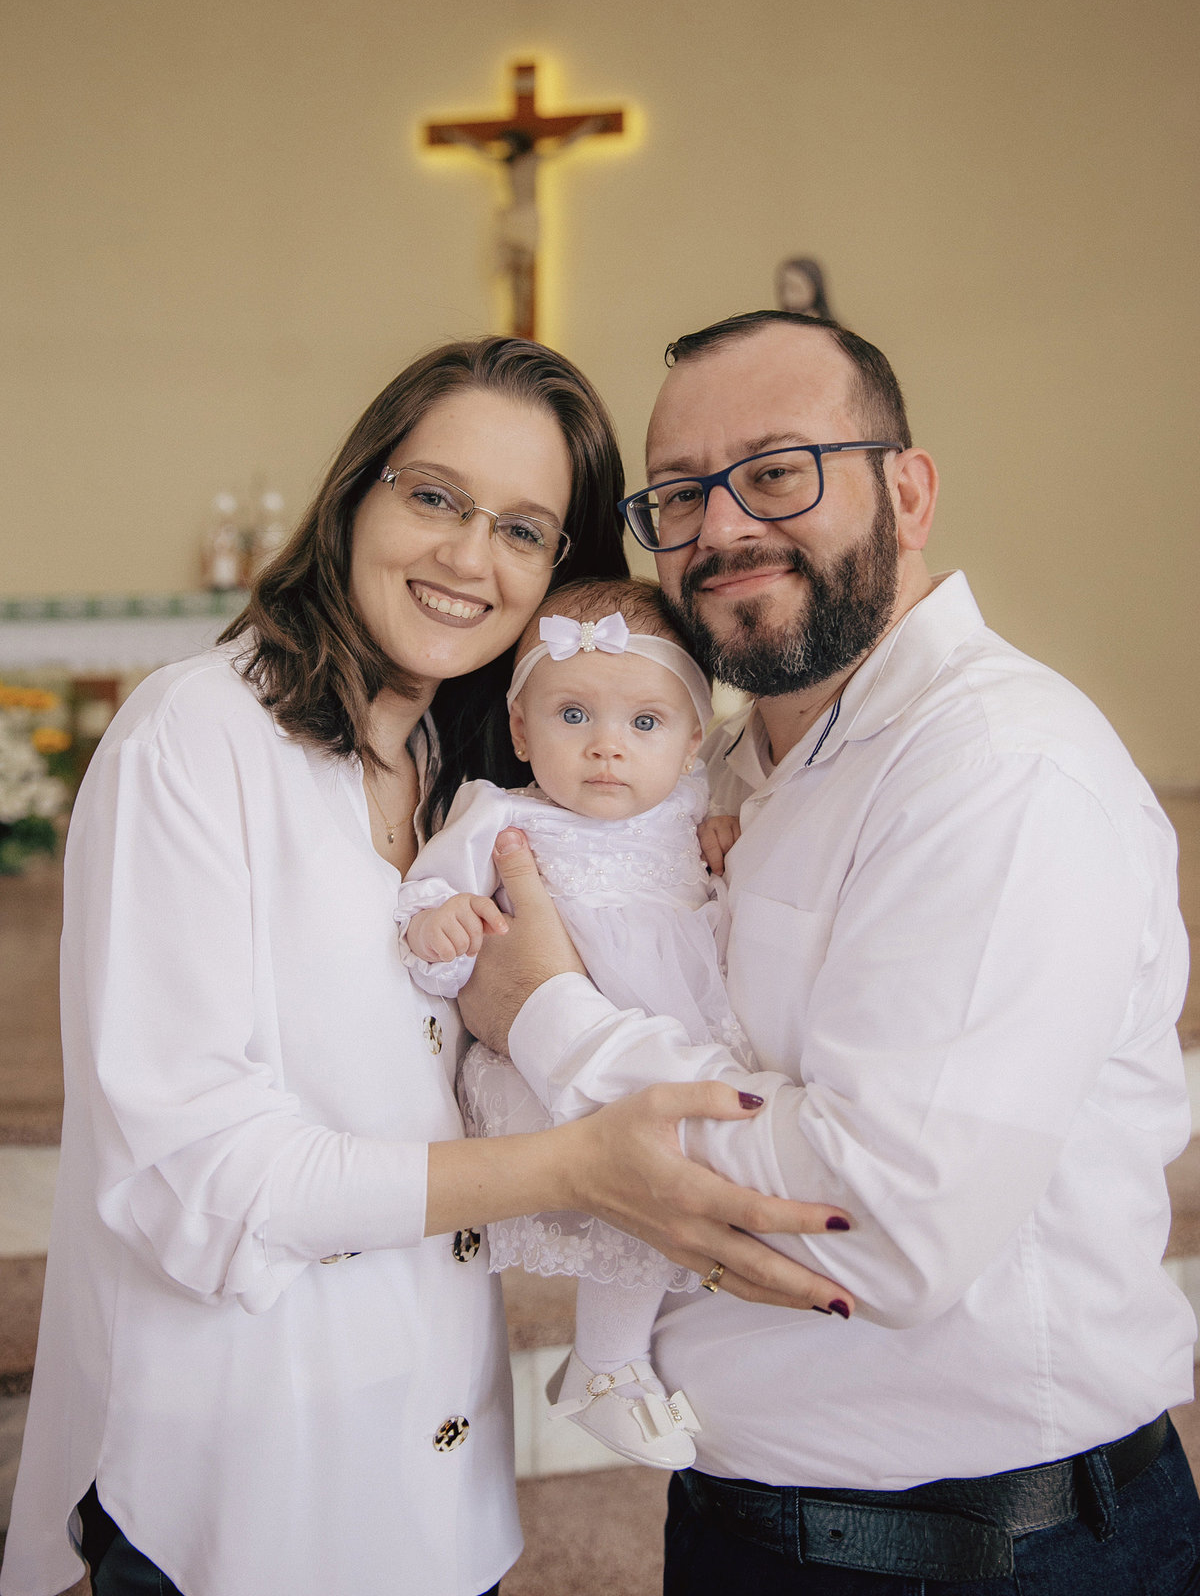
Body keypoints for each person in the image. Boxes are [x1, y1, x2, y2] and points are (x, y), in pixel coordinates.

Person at [0, 336, 854, 1596]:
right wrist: (568, 1167)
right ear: (358, 494)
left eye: (524, 529)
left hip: (443, 1485)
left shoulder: (472, 778)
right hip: (248, 1483)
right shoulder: (196, 736)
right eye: (435, 497)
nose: (469, 557)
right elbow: (195, 1173)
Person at [458, 312, 1200, 1595]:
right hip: (752, 1518)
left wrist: (545, 1017)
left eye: (780, 469)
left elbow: (879, 1226)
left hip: (977, 1553)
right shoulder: (725, 773)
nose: (725, 526)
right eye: (681, 494)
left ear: (906, 492)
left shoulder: (997, 772)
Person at [396, 575, 774, 1473]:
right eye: (573, 717)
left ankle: (609, 1363)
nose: (607, 748)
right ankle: (607, 1366)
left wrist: (726, 840)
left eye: (644, 724)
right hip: (543, 1066)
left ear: (690, 742)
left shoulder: (693, 812)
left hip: (659, 1041)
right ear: (522, 729)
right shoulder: (500, 813)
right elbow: (431, 907)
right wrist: (441, 931)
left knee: (661, 1190)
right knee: (629, 1192)